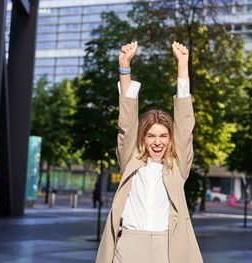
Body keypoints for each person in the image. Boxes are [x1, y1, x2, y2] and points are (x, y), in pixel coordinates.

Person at [95, 41, 203, 263]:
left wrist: (183, 67)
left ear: (170, 139)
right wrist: (124, 68)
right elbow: (126, 123)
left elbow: (184, 126)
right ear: (142, 138)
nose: (157, 142)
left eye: (163, 136)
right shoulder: (131, 162)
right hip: (129, 247)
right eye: (151, 136)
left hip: (167, 248)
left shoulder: (177, 167)